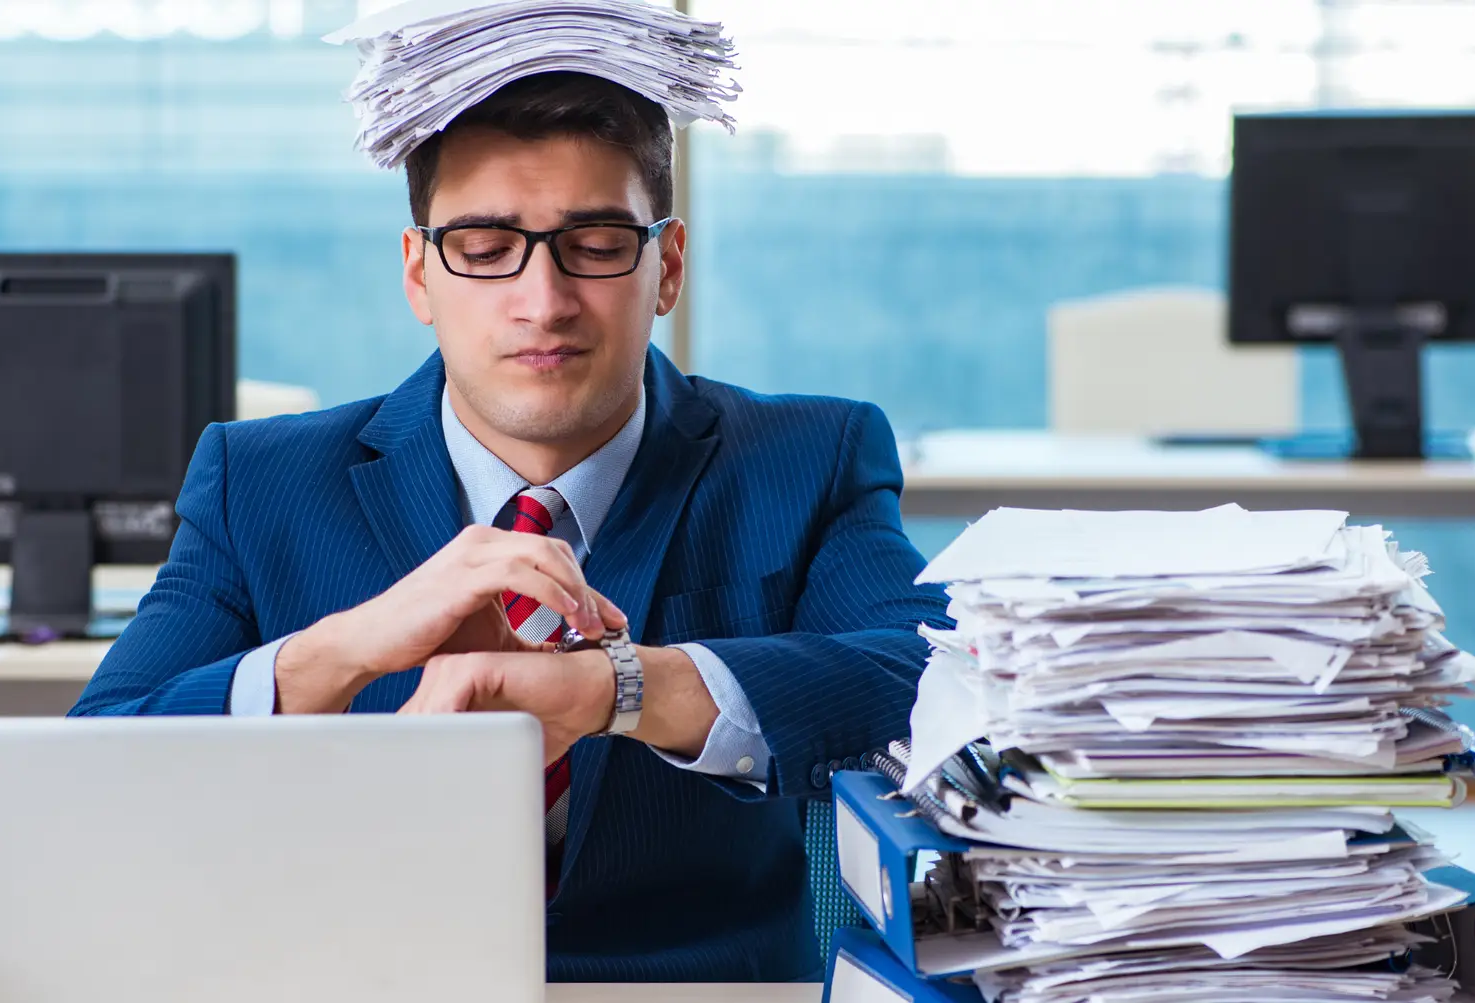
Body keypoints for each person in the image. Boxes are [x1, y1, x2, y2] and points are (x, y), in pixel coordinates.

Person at [71, 69, 953, 982]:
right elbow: (86, 771)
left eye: (597, 245)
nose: (543, 301)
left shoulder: (808, 456)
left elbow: (942, 684)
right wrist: (341, 651)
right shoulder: (259, 481)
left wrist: (618, 688)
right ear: (419, 273)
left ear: (668, 267)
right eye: (486, 248)